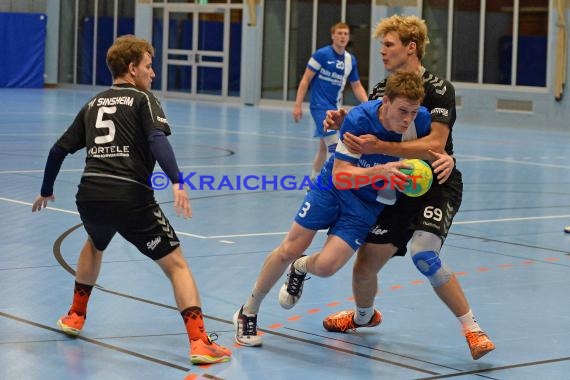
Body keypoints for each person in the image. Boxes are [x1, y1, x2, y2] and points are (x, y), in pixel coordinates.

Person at [31, 35, 231, 365]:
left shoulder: (92, 104)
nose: (153, 74)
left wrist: (46, 188)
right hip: (129, 196)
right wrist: (177, 180)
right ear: (132, 67)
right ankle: (199, 342)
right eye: (149, 66)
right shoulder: (143, 100)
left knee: (95, 243)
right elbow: (157, 139)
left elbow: (58, 150)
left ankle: (74, 317)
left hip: (90, 195)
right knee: (177, 265)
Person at [321, 15, 495, 360]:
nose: (382, 52)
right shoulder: (381, 91)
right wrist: (345, 121)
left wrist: (383, 149)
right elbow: (369, 124)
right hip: (397, 186)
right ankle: (363, 317)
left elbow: (436, 142)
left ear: (410, 47)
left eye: (389, 45)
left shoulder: (440, 89)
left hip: (437, 186)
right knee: (365, 264)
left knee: (424, 254)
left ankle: (473, 329)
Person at [234, 71, 430, 347]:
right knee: (290, 246)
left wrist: (442, 160)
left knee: (326, 267)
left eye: (412, 111)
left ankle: (300, 267)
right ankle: (248, 311)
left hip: (365, 205)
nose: (407, 118)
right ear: (385, 101)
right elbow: (341, 175)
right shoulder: (360, 118)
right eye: (402, 111)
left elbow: (434, 149)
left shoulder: (420, 121)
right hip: (332, 188)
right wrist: (381, 170)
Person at [292, 22, 369, 182]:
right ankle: (328, 184)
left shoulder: (350, 60)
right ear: (333, 36)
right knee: (334, 145)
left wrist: (368, 105)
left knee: (323, 147)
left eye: (346, 34)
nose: (343, 37)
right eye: (339, 33)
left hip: (335, 108)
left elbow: (356, 86)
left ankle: (313, 180)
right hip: (319, 107)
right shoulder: (321, 55)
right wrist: (298, 105)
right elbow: (306, 80)